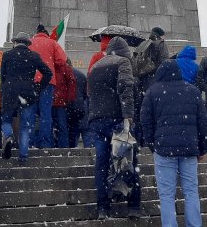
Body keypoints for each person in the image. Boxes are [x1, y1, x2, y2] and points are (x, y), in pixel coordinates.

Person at [141, 60, 207, 227]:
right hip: (189, 148)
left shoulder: (153, 91)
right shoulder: (192, 90)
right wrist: (202, 148)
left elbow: (145, 122)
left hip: (163, 149)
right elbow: (203, 122)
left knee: (166, 195)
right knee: (191, 191)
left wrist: (153, 145)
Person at [87, 36, 141, 220]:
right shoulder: (123, 62)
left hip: (97, 121)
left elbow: (90, 93)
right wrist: (129, 116)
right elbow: (126, 89)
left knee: (101, 165)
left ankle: (103, 207)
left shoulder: (95, 66)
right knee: (128, 162)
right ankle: (133, 206)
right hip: (117, 119)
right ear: (125, 51)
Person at [0, 32, 53, 165]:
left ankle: (9, 136)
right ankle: (23, 157)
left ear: (15, 42)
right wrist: (39, 87)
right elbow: (48, 73)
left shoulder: (7, 55)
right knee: (25, 126)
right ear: (28, 44)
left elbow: (3, 75)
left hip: (10, 91)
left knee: (6, 119)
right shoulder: (34, 56)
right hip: (28, 92)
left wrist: (6, 88)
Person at [29, 24, 68, 149]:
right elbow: (62, 60)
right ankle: (45, 143)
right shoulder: (52, 43)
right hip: (48, 81)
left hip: (31, 81)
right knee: (46, 113)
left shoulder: (29, 43)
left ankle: (30, 142)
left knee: (31, 113)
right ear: (46, 34)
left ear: (36, 33)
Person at [132, 27, 170, 146]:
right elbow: (165, 63)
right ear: (160, 35)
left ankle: (142, 140)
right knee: (156, 112)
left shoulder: (142, 45)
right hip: (154, 81)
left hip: (141, 83)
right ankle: (155, 140)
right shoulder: (161, 44)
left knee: (143, 112)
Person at [53, 59, 77, 148]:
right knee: (62, 125)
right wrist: (69, 99)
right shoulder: (65, 68)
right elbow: (71, 83)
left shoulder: (53, 66)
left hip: (54, 101)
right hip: (61, 101)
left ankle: (53, 146)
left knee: (54, 125)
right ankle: (63, 147)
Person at [66, 59, 89, 147]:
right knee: (86, 136)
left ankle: (72, 151)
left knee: (72, 135)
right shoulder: (81, 75)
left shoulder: (64, 74)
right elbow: (85, 93)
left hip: (69, 108)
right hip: (81, 108)